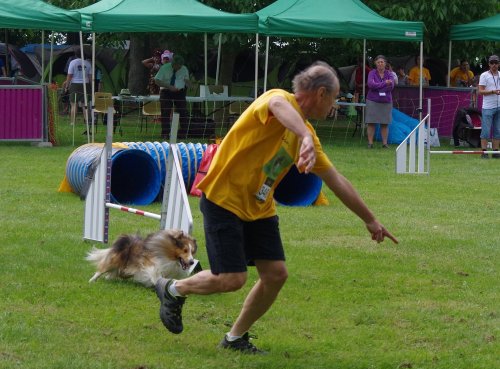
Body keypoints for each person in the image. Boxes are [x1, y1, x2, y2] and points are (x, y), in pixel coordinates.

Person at [154, 61, 398, 354]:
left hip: (259, 206)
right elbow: (282, 109)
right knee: (231, 279)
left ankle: (235, 339)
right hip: (224, 199)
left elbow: (336, 180)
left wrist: (370, 220)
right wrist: (305, 136)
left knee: (276, 274)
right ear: (321, 93)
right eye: (333, 99)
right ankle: (172, 289)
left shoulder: (307, 135)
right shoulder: (274, 99)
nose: (334, 106)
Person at [154, 54, 189, 139]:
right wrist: (169, 86)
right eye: (177, 66)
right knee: (165, 111)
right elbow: (157, 80)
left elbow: (186, 80)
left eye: (180, 66)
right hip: (166, 91)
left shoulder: (184, 69)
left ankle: (183, 133)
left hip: (179, 92)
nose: (179, 68)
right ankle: (165, 133)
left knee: (183, 111)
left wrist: (188, 83)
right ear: (173, 64)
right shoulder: (165, 68)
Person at [365, 55, 395, 148]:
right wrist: (384, 83)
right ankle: (370, 143)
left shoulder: (390, 74)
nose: (380, 64)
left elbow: (391, 86)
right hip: (372, 101)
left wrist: (378, 85)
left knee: (385, 123)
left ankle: (385, 144)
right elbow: (370, 85)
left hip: (386, 101)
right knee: (371, 122)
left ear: (385, 63)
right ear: (375, 63)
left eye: (382, 62)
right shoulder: (372, 73)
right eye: (378, 62)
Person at [477, 54, 500, 159]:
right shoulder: (484, 75)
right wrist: (492, 91)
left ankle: (495, 152)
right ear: (489, 64)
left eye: (496, 62)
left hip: (499, 106)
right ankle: (484, 152)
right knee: (486, 130)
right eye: (492, 63)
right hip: (488, 107)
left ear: (499, 64)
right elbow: (480, 91)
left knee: (498, 130)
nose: (494, 65)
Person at [63, 53, 92, 126]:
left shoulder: (72, 62)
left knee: (73, 104)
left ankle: (73, 122)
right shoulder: (88, 63)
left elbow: (69, 75)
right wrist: (91, 86)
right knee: (84, 105)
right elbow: (90, 76)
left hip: (75, 84)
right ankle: (87, 122)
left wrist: (66, 86)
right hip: (86, 84)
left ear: (76, 55)